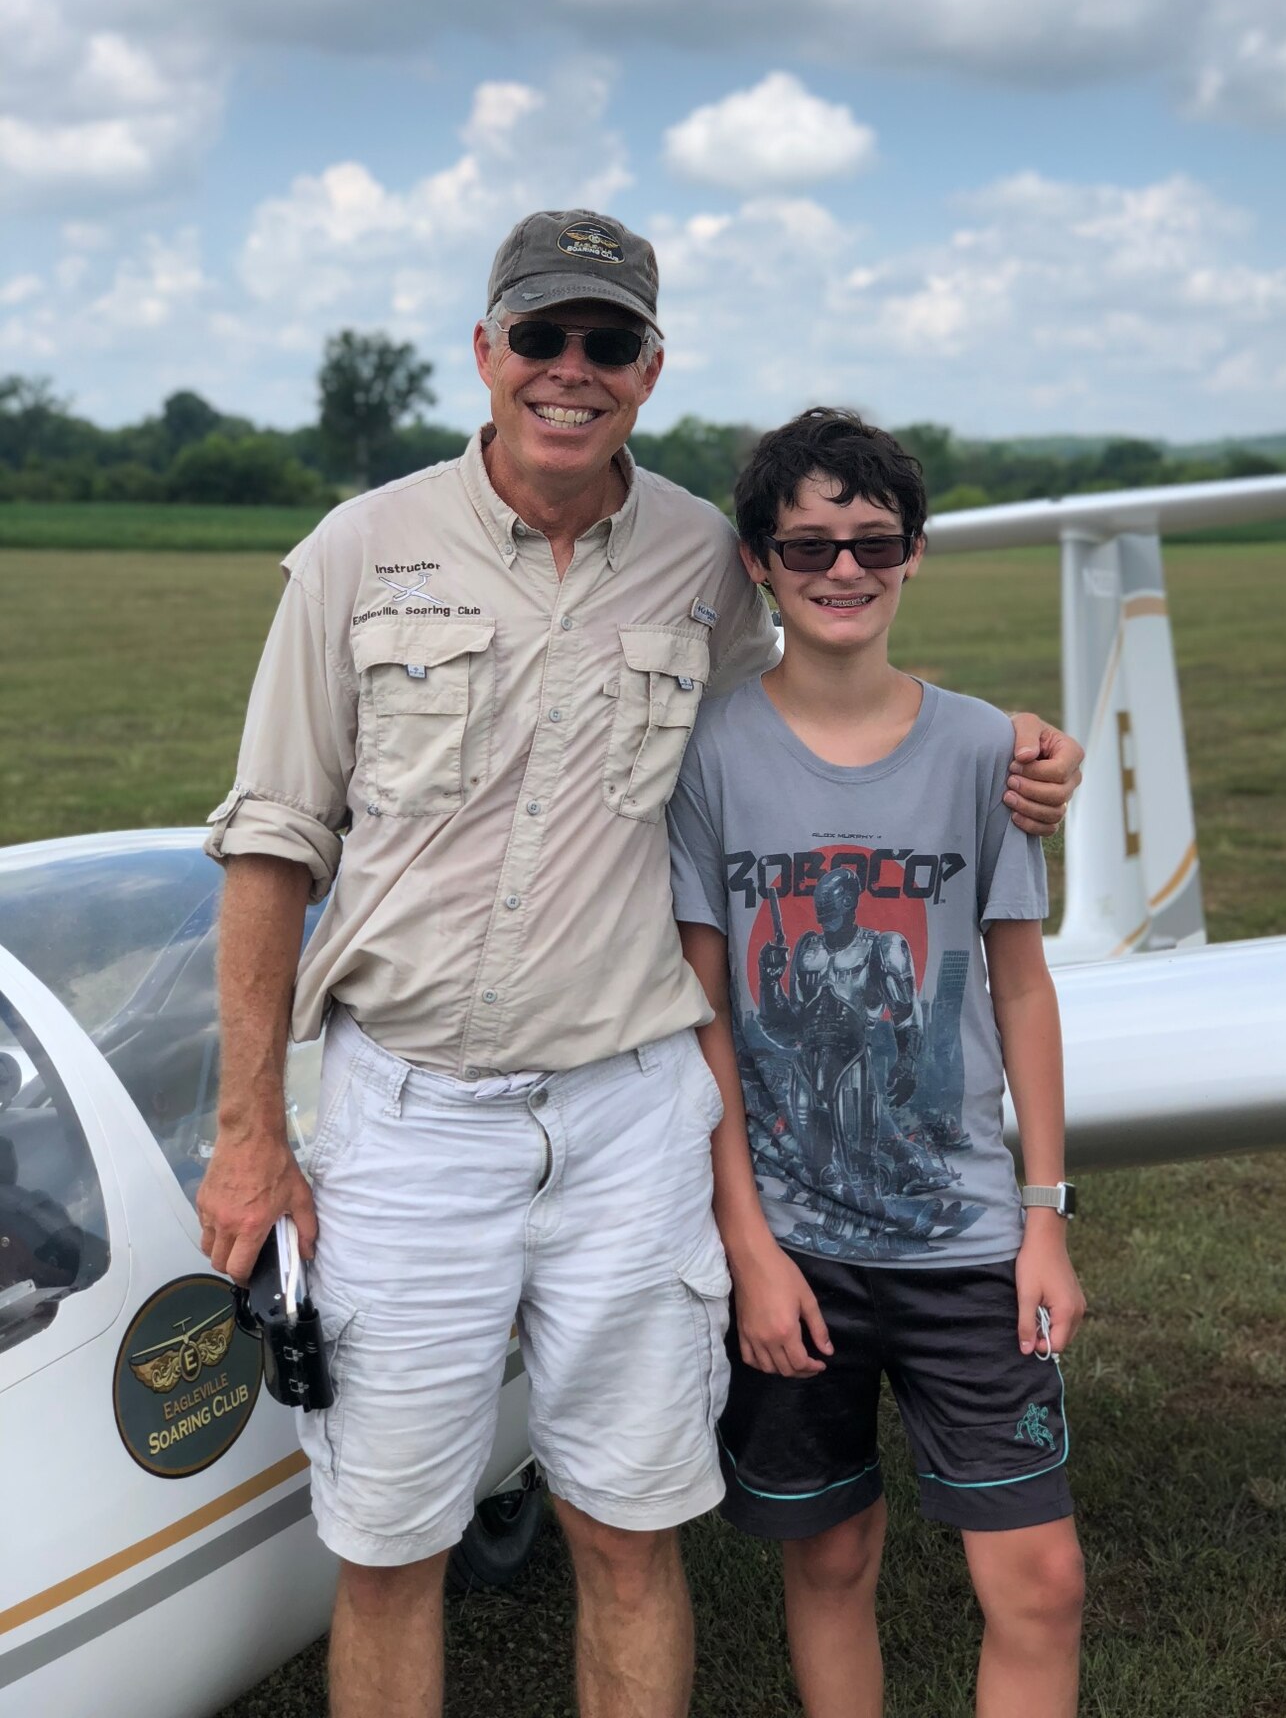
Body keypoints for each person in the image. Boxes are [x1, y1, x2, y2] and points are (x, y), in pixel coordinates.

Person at [195, 211, 1085, 1718]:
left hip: (629, 1121)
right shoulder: (359, 551)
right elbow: (272, 844)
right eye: (540, 337)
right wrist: (247, 1134)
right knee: (390, 1541)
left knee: (628, 1528)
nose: (571, 370)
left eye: (608, 344)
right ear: (485, 354)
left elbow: (830, 689)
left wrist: (1012, 750)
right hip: (409, 1116)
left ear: (649, 370)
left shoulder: (703, 561)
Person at [669, 408, 1086, 1718]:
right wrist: (749, 1246)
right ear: (759, 562)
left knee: (1041, 1580)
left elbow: (1020, 982)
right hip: (798, 1247)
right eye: (808, 546)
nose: (842, 570)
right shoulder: (712, 753)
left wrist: (1043, 1220)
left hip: (964, 1234)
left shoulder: (982, 750)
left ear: (914, 556)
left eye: (873, 543)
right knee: (831, 1553)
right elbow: (710, 1015)